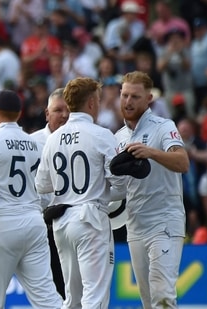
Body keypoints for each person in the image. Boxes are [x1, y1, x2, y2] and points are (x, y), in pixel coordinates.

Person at [0, 90, 62, 308]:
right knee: (46, 297)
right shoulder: (34, 144)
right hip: (34, 223)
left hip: (1, 224)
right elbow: (44, 190)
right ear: (18, 114)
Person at [36, 78, 126, 308]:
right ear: (92, 103)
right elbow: (120, 184)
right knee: (94, 297)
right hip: (90, 218)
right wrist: (101, 193)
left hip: (61, 222)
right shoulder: (101, 134)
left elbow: (42, 185)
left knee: (72, 297)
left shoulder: (53, 138)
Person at [115, 71, 189, 308]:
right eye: (124, 95)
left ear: (148, 99)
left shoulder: (163, 126)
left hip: (165, 220)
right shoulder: (117, 137)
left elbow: (183, 162)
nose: (128, 101)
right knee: (148, 301)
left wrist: (152, 153)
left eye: (135, 96)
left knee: (163, 295)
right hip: (135, 224)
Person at [30, 87, 69, 299]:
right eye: (58, 110)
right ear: (47, 113)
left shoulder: (82, 139)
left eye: (68, 110)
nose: (64, 115)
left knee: (73, 288)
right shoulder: (32, 143)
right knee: (49, 291)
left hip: (74, 223)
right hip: (42, 226)